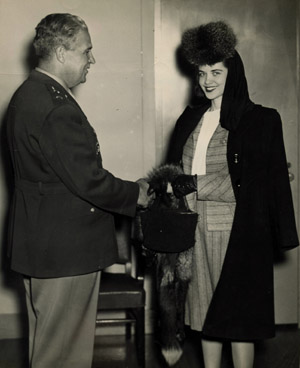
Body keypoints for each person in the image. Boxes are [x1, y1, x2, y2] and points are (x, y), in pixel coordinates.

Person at [6, 13, 150, 368]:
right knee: (64, 358)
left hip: (42, 247)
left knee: (48, 351)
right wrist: (136, 194)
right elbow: (89, 180)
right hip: (65, 252)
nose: (92, 60)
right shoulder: (55, 106)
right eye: (86, 51)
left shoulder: (29, 94)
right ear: (60, 52)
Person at [167, 21, 299, 368]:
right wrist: (179, 187)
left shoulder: (258, 121)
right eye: (201, 73)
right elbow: (175, 173)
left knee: (239, 320)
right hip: (193, 230)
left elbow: (242, 182)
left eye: (216, 72)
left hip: (234, 232)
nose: (207, 80)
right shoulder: (190, 118)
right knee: (206, 316)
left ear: (233, 73)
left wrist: (190, 184)